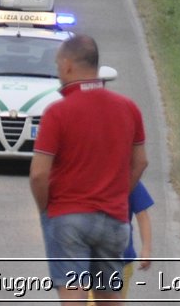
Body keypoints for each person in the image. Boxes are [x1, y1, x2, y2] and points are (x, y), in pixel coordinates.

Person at [29, 34, 147, 304]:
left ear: (68, 65)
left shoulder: (57, 113)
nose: (58, 71)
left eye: (58, 65)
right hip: (114, 218)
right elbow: (140, 162)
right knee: (109, 297)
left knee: (74, 296)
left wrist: (46, 207)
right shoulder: (129, 108)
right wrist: (118, 193)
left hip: (68, 216)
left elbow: (38, 174)